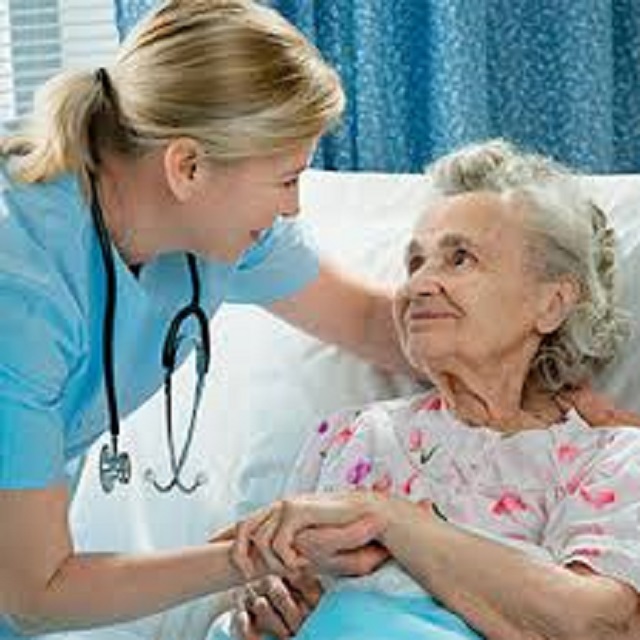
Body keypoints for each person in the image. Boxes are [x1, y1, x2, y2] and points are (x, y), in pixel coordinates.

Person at [0, 1, 414, 637]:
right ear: (187, 165)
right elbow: (35, 591)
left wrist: (545, 367)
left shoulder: (216, 230)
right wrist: (259, 553)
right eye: (287, 179)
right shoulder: (22, 290)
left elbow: (370, 324)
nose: (294, 208)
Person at [215, 140, 640, 639]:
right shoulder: (350, 435)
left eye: (460, 259)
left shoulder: (609, 457)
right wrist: (260, 597)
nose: (418, 286)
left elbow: (599, 625)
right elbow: (264, 585)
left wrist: (391, 520)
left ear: (551, 303)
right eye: (415, 263)